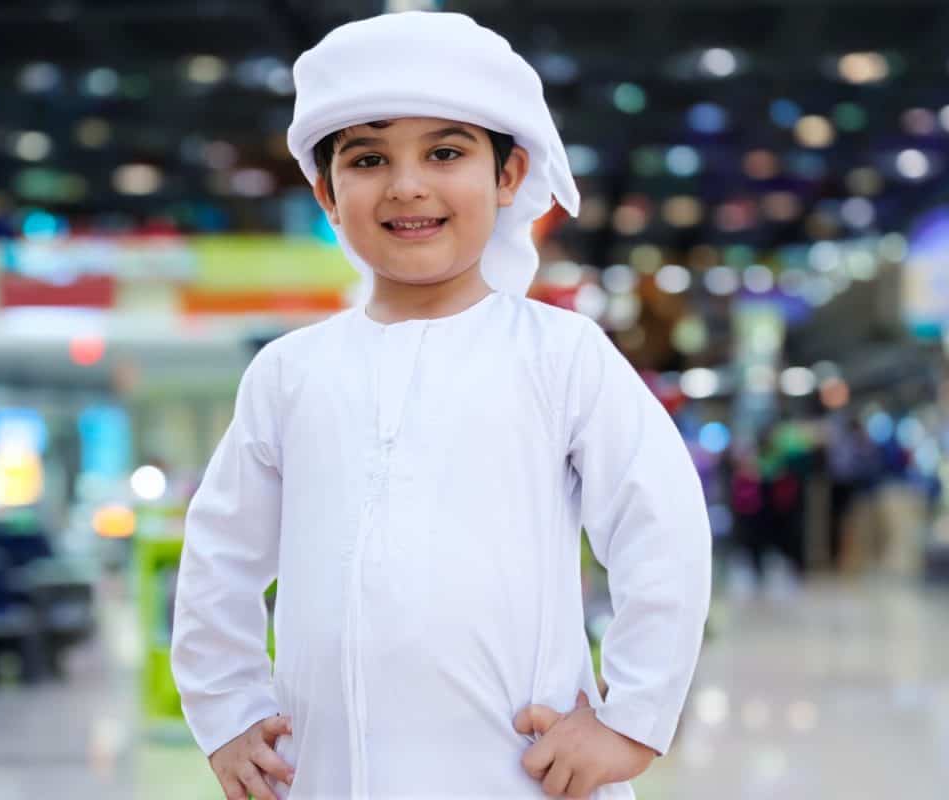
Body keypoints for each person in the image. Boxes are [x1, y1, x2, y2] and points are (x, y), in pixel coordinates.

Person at [171, 12, 712, 800]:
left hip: (521, 776)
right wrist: (225, 711)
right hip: (326, 776)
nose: (407, 184)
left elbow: (661, 529)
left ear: (508, 175)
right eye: (367, 158)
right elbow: (218, 556)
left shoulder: (560, 355)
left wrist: (631, 717)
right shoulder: (290, 372)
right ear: (326, 191)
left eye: (446, 151)